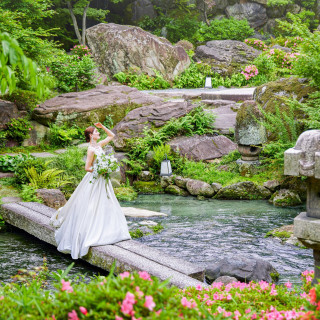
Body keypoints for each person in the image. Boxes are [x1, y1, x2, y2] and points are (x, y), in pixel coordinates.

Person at [50, 122, 131, 259]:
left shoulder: (99, 146)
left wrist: (102, 127)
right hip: (95, 179)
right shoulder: (91, 150)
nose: (99, 134)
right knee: (91, 205)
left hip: (102, 179)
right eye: (96, 132)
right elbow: (87, 167)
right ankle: (89, 232)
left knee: (107, 202)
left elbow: (111, 135)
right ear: (90, 135)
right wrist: (101, 170)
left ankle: (110, 230)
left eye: (98, 132)